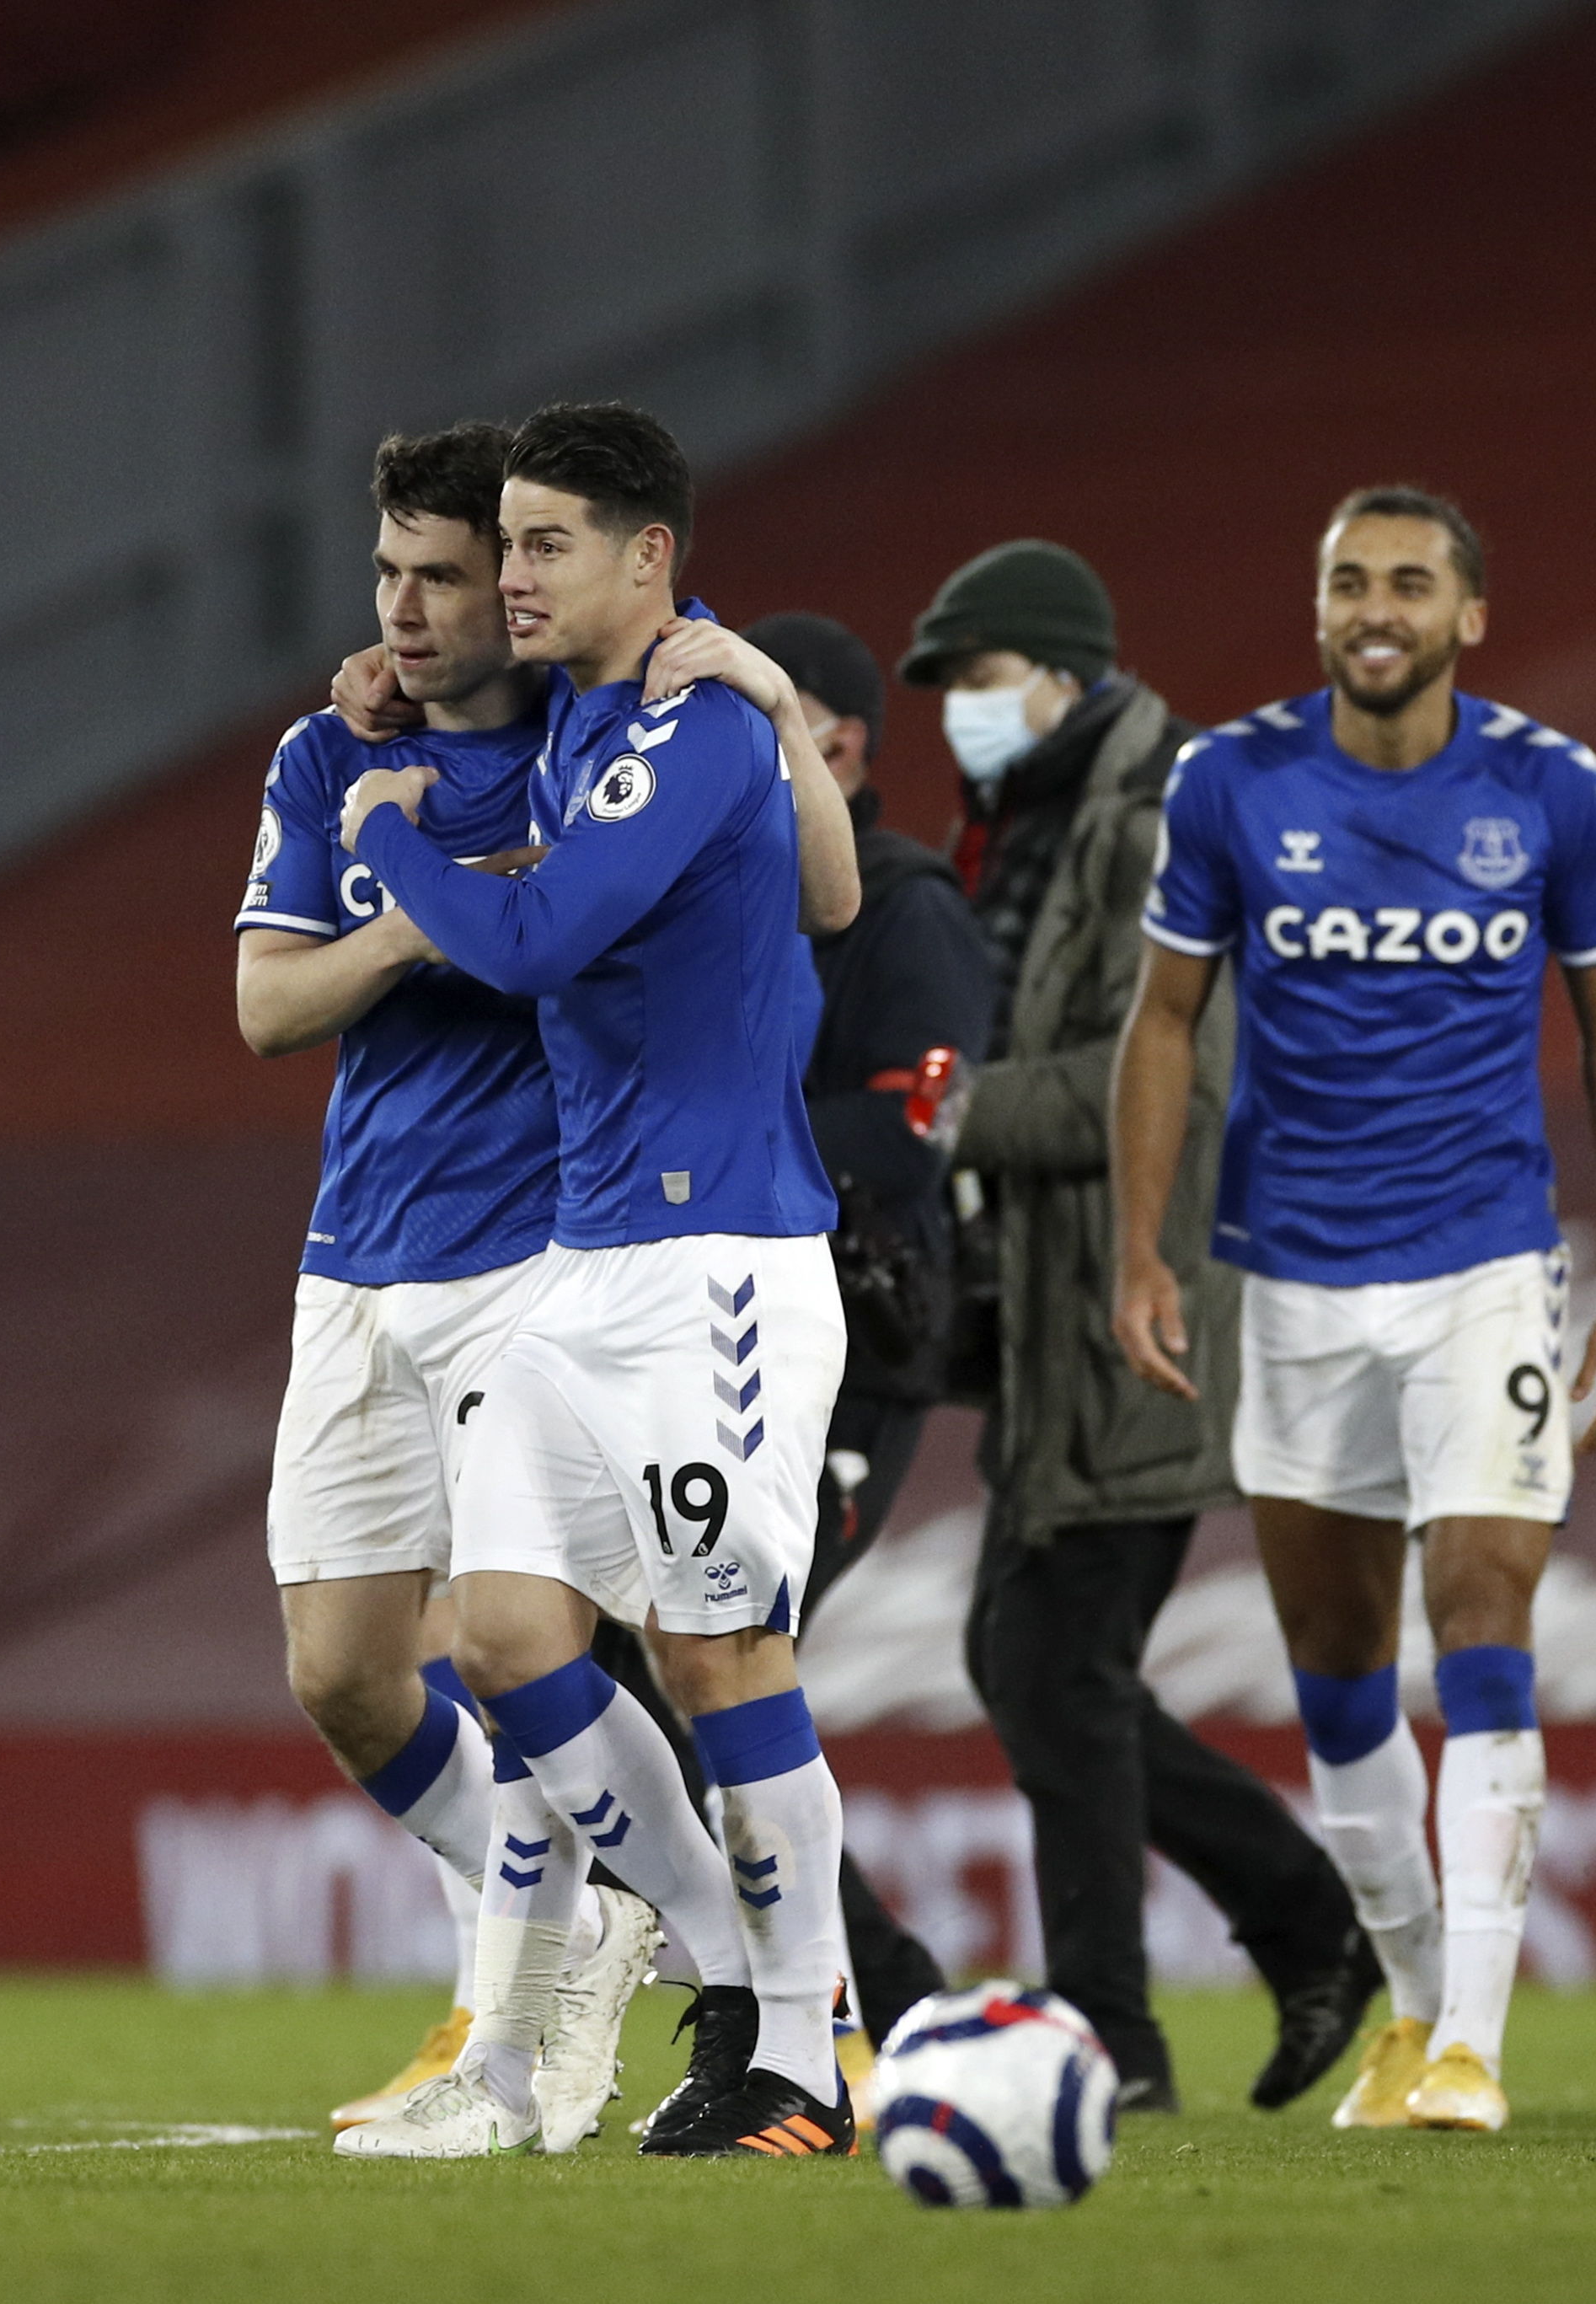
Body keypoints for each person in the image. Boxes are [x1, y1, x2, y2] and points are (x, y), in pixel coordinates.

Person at [1111, 488, 1596, 2134]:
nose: (1373, 605)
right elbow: (1160, 1019)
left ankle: (1474, 2046)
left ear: (1464, 615)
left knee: (1480, 1611)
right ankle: (1412, 2002)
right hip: (1284, 1274)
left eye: (1406, 582)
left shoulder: (1546, 788)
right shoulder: (1229, 782)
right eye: (1346, 580)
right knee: (1337, 1671)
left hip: (1480, 1263)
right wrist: (1140, 1246)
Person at [338, 402, 856, 2159]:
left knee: (719, 1648)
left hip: (719, 1261)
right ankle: (724, 1970)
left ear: (653, 556)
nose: (513, 575)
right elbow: (828, 885)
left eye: (548, 543)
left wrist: (390, 832)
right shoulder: (590, 718)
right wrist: (389, 688)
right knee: (499, 1635)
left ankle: (803, 2048)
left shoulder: (693, 724)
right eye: (509, 544)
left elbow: (536, 938)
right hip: (584, 1255)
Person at [899, 542, 1379, 2112]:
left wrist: (950, 1113)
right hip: (1065, 1307)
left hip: (1143, 1299)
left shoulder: (1157, 815)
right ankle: (1294, 1925)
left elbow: (1164, 1071)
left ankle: (1123, 2023)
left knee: (1054, 1661)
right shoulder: (1046, 819)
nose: (960, 712)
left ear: (1056, 670)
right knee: (1040, 1658)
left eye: (974, 677)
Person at [238, 421, 661, 2149]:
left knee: (505, 1639)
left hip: (529, 1257)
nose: (404, 612)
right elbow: (269, 1006)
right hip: (354, 1257)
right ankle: (583, 1901)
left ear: (523, 580)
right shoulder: (327, 756)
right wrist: (419, 908)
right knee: (341, 1668)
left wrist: (431, 885)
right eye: (387, 577)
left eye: (441, 576)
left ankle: (499, 2030)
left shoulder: (598, 744)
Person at [744, 609, 982, 2044]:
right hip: (720, 1330)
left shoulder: (901, 904)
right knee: (674, 1664)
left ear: (838, 743)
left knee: (724, 1658)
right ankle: (828, 1993)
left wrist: (730, 1136)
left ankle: (868, 2000)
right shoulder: (718, 890)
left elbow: (928, 1114)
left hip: (854, 1349)